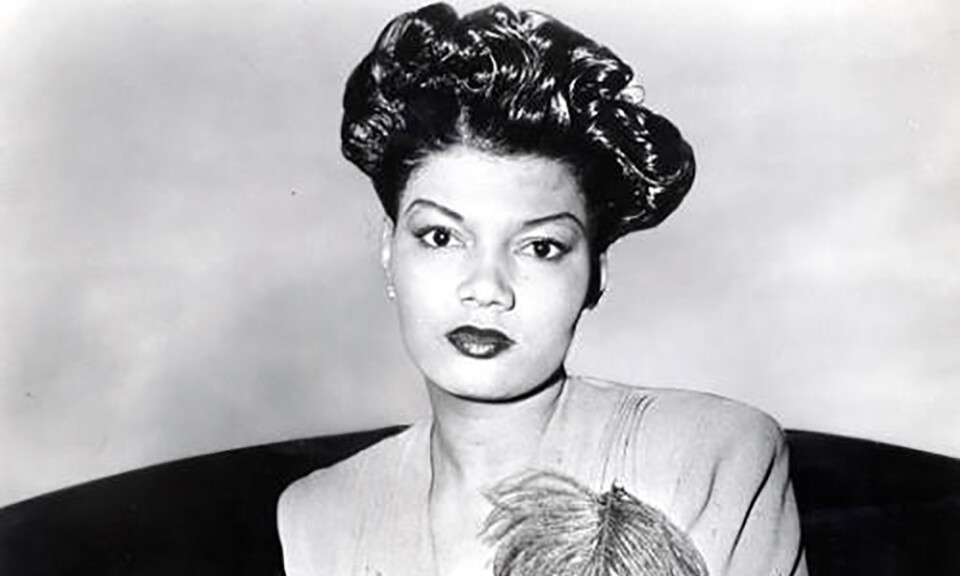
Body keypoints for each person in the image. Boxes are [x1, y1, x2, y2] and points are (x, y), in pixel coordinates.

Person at [278, 3, 807, 575]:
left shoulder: (710, 455)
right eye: (441, 236)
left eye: (541, 247)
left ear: (595, 273)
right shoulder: (318, 515)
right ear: (389, 250)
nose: (486, 288)